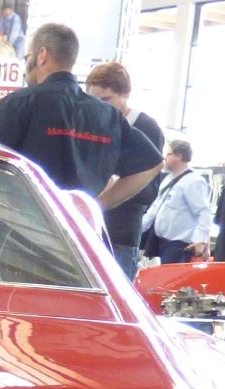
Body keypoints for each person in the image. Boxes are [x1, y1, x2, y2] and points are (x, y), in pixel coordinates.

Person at [0, 24, 161, 209]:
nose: (26, 64)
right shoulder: (108, 115)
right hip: (74, 229)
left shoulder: (22, 103)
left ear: (42, 55)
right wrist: (94, 208)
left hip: (21, 223)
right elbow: (152, 164)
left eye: (28, 56)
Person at [84, 61, 165, 278]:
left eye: (106, 100)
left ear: (125, 94)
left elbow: (149, 190)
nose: (99, 106)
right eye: (93, 100)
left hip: (120, 234)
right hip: (87, 229)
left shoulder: (146, 127)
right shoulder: (91, 123)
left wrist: (113, 189)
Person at [140, 139, 212, 264]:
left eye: (168, 154)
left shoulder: (193, 181)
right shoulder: (168, 179)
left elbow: (203, 212)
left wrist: (200, 240)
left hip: (179, 246)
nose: (165, 157)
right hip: (163, 242)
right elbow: (155, 207)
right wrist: (140, 227)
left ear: (179, 156)